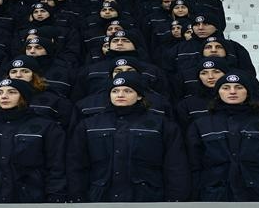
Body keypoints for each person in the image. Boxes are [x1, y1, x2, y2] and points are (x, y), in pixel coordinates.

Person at [67, 72, 191, 202]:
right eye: (115, 91)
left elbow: (175, 165)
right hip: (100, 197)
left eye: (127, 91)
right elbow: (77, 164)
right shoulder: (89, 125)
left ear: (139, 96)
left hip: (148, 198)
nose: (120, 95)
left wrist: (175, 200)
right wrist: (77, 197)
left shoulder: (162, 125)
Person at [186, 71, 259, 201]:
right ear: (218, 93)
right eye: (226, 88)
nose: (232, 92)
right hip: (214, 196)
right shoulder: (201, 125)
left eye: (239, 87)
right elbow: (194, 167)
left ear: (248, 91)